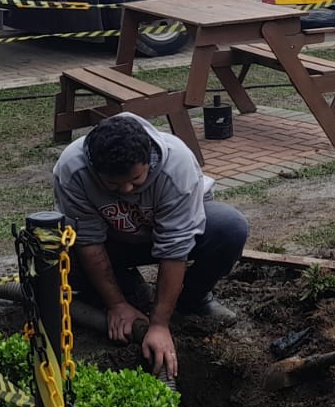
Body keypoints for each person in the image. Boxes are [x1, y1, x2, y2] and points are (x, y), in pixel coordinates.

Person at [52, 113, 247, 379]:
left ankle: (192, 300)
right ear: (94, 167)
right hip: (113, 242)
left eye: (136, 180)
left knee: (229, 227)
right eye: (113, 185)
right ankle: (131, 294)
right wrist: (117, 304)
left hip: (165, 236)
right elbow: (88, 242)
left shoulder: (176, 165)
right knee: (58, 253)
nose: (127, 190)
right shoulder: (73, 169)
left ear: (149, 160)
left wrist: (159, 324)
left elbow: (174, 250)